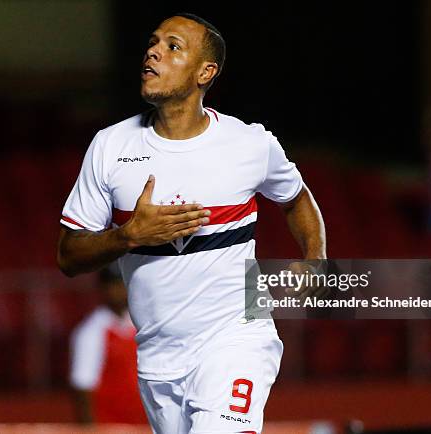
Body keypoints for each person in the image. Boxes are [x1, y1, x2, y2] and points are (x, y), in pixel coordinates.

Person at [57, 12, 326, 434]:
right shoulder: (110, 146)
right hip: (158, 357)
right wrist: (128, 236)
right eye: (153, 42)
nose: (153, 51)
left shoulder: (249, 143)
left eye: (172, 46)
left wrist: (315, 257)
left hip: (238, 335)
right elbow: (69, 255)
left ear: (206, 72)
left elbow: (296, 199)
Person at [69, 264, 146, 425]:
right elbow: (83, 387)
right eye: (113, 285)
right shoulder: (91, 331)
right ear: (103, 289)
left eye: (122, 284)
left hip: (144, 424)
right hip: (109, 425)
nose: (119, 291)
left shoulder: (143, 324)